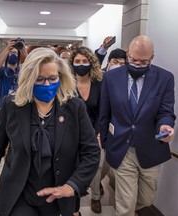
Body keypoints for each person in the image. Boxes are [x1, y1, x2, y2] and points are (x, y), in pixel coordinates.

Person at [0, 47, 100, 216]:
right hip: (19, 192)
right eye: (40, 79)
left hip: (57, 194)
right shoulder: (12, 105)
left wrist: (72, 185)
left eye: (52, 78)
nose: (47, 85)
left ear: (61, 77)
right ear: (29, 79)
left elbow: (92, 152)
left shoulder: (75, 108)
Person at [99, 35, 176, 216]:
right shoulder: (111, 77)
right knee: (126, 205)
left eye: (144, 62)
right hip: (121, 146)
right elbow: (105, 113)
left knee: (147, 199)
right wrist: (105, 142)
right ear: (127, 54)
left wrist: (165, 126)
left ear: (152, 58)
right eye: (133, 60)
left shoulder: (165, 78)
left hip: (150, 146)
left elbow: (166, 111)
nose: (137, 64)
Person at [68, 46, 103, 214]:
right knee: (72, 171)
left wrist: (97, 133)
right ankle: (74, 209)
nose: (81, 64)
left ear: (91, 63)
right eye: (77, 61)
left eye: (84, 61)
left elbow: (103, 111)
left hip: (94, 135)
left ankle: (96, 196)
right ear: (71, 63)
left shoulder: (99, 84)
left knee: (96, 169)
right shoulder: (66, 84)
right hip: (71, 135)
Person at [0, 39, 28, 109]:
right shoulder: (3, 71)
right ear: (7, 55)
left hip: (21, 108)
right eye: (11, 53)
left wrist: (27, 56)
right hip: (4, 109)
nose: (13, 55)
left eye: (15, 53)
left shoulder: (23, 71)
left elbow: (33, 71)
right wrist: (7, 49)